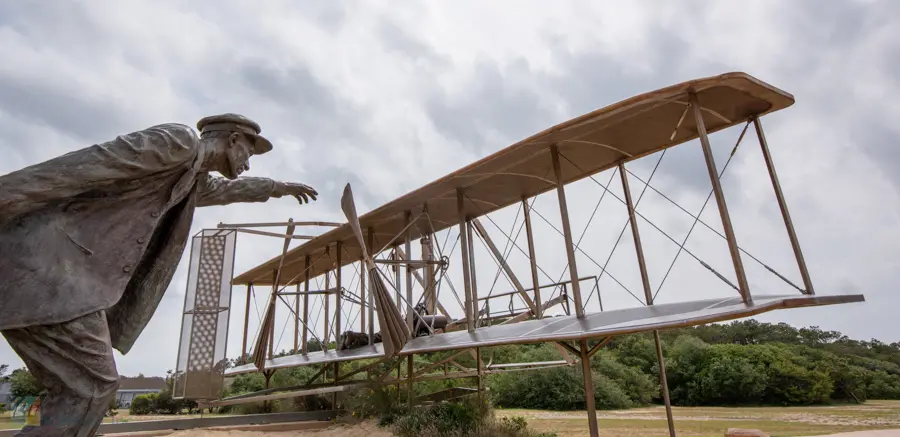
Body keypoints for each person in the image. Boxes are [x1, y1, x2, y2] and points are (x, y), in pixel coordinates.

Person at [0, 114, 318, 436]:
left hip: (63, 280)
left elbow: (223, 191)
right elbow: (89, 164)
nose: (248, 163)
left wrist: (277, 188)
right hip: (49, 270)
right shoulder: (178, 143)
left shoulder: (191, 176)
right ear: (233, 140)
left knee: (84, 387)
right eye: (249, 153)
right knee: (92, 386)